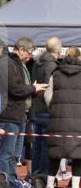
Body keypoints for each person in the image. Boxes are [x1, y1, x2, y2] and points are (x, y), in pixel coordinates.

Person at [0, 38, 46, 188]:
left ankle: (12, 181)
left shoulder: (18, 65)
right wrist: (32, 88)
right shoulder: (8, 64)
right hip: (10, 114)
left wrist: (33, 91)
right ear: (21, 49)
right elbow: (15, 89)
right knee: (7, 152)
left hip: (19, 114)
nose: (29, 57)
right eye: (29, 53)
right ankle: (5, 183)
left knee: (15, 154)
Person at [43, 46, 81, 188]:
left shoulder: (56, 73)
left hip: (58, 118)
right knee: (78, 154)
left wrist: (54, 109)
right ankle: (75, 187)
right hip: (78, 119)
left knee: (55, 153)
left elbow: (47, 96)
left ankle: (49, 186)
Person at [30, 37, 62, 177]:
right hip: (47, 109)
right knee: (46, 145)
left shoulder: (38, 63)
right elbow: (52, 90)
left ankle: (36, 173)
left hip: (37, 108)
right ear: (58, 49)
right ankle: (42, 175)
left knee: (38, 144)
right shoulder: (51, 66)